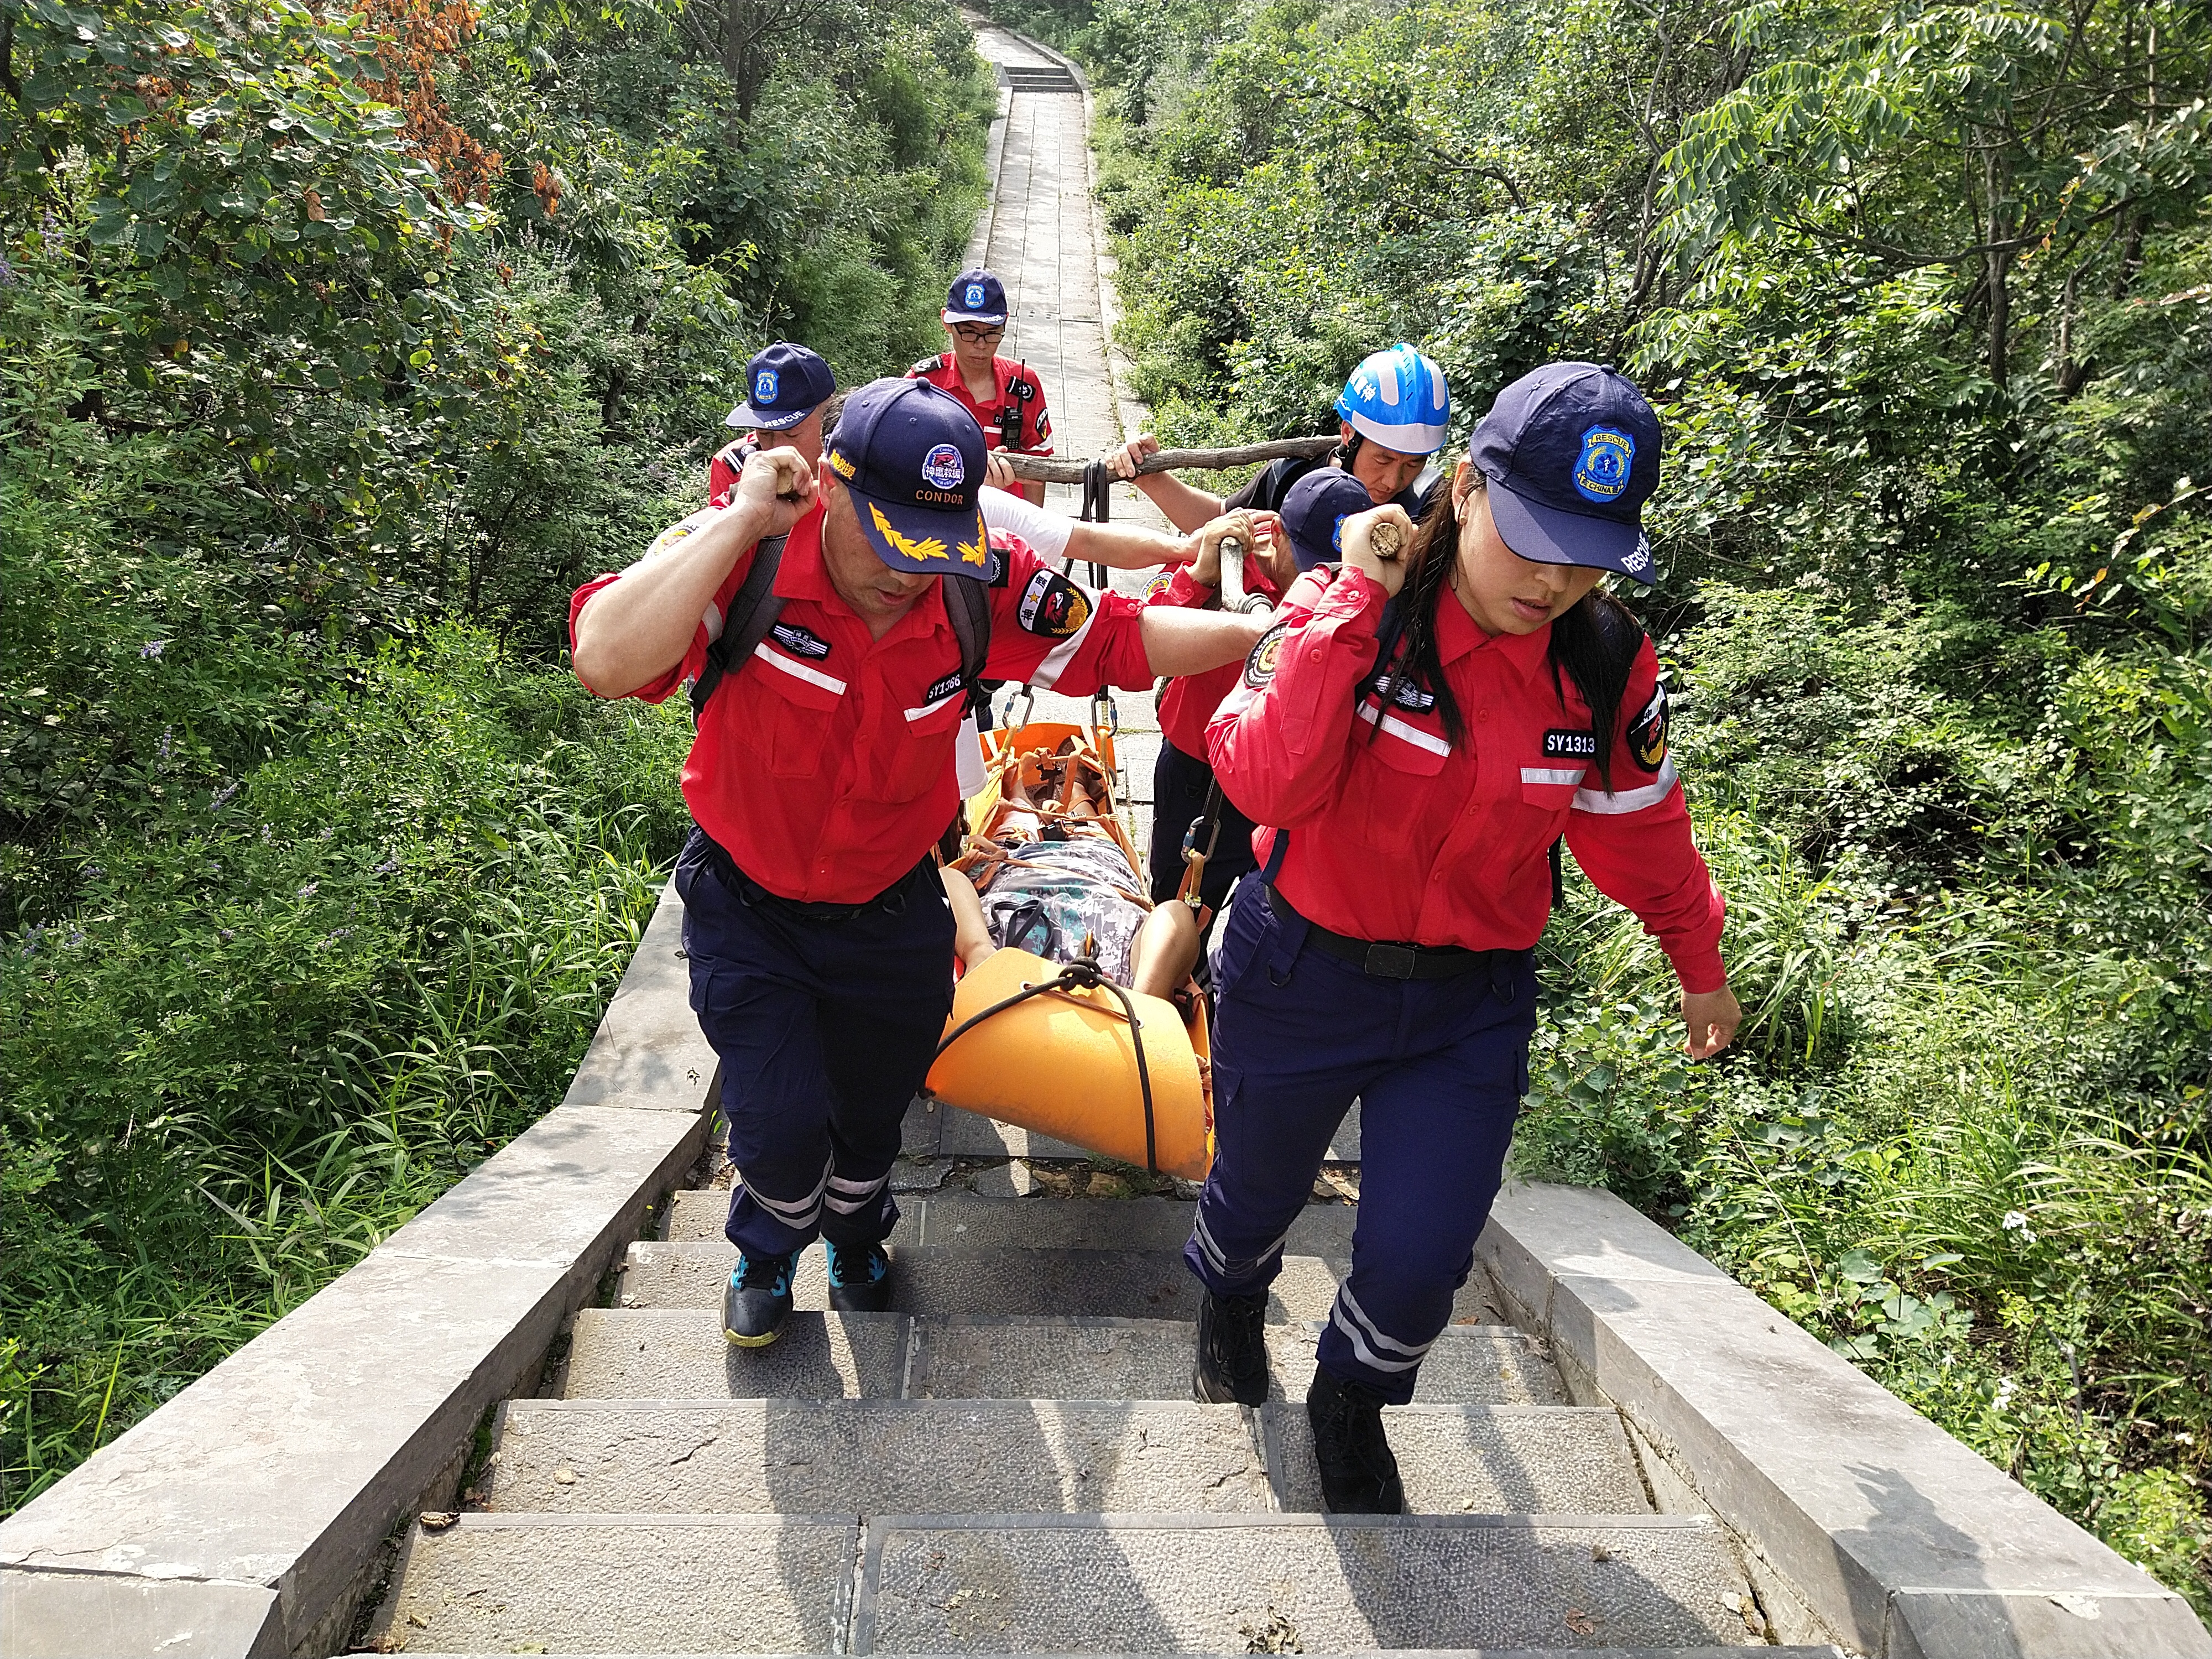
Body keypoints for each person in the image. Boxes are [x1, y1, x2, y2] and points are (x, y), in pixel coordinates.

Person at [568, 377, 1269, 1349]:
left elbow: (1119, 639)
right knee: (777, 1121)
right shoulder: (752, 556)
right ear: (833, 486)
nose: (910, 575)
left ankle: (857, 1233)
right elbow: (605, 660)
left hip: (895, 909)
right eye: (892, 542)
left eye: (934, 549)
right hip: (752, 908)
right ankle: (767, 1252)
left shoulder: (980, 579)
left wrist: (1257, 634)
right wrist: (735, 525)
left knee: (870, 1114)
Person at [1186, 362, 1744, 1512]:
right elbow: (1262, 781)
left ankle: (1347, 1403)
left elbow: (1640, 828)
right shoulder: (1353, 605)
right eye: (1531, 537)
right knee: (1253, 1192)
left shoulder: (1598, 661)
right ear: (1469, 490)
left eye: (1585, 554)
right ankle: (1231, 1294)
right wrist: (1348, 609)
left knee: (1418, 1254)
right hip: (1298, 971)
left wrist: (1698, 964)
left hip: (1465, 1006)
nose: (1551, 580)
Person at [1129, 345, 1452, 932]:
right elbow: (1216, 530)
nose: (1393, 481)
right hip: (1214, 730)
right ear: (1348, 433)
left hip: (1315, 754)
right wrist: (1153, 482)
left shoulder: (1418, 518)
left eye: (1412, 465)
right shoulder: (1291, 482)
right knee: (1176, 892)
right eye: (1383, 460)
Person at [907, 269, 1051, 507]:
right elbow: (899, 458)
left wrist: (1031, 540)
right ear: (947, 322)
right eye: (969, 333)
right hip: (935, 516)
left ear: (1005, 322)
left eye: (992, 334)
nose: (981, 345)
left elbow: (1039, 468)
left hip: (1006, 523)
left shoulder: (1024, 385)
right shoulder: (922, 383)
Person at [709, 343, 839, 507]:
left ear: (829, 420)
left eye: (791, 433)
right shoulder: (734, 466)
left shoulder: (857, 461)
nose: (777, 448)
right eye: (765, 433)